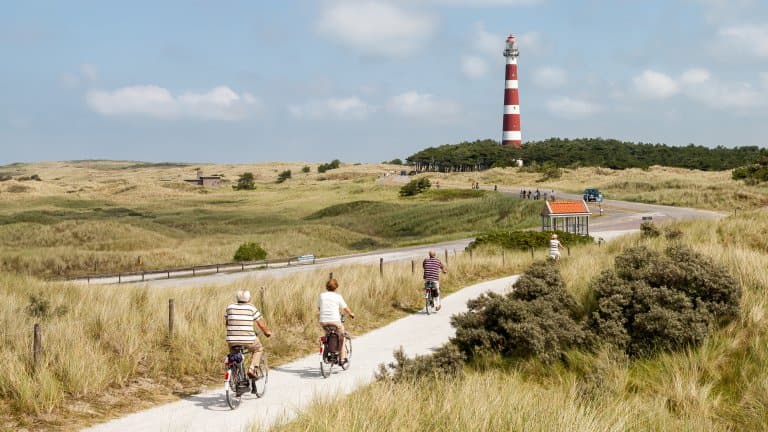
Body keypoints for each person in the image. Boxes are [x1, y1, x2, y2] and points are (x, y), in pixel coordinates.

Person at [225, 289, 272, 380]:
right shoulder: (251, 307)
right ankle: (251, 369)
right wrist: (267, 332)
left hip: (231, 340)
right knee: (258, 349)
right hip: (248, 339)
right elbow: (261, 324)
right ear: (249, 299)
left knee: (233, 354)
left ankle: (235, 377)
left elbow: (227, 323)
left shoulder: (230, 307)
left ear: (237, 298)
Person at [319, 278, 355, 365]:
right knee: (341, 337)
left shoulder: (322, 296)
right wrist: (351, 314)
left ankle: (326, 354)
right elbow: (345, 308)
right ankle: (342, 359)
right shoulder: (338, 296)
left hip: (323, 322)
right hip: (335, 322)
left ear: (327, 287)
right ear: (336, 288)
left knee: (327, 335)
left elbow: (319, 308)